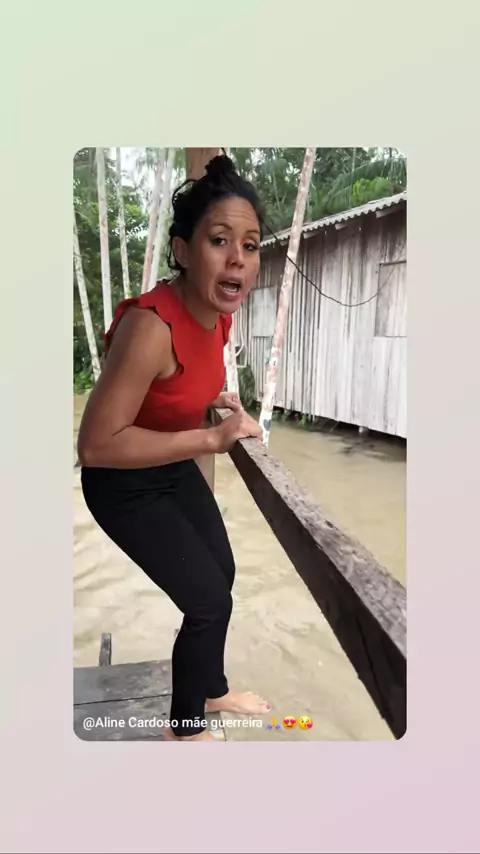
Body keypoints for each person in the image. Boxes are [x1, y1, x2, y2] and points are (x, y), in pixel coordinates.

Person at [77, 154, 271, 742]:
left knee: (222, 573)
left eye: (251, 245)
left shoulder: (218, 316)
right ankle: (184, 733)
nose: (238, 258)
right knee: (207, 600)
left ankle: (211, 689)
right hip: (121, 484)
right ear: (184, 251)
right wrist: (211, 438)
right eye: (220, 240)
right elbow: (95, 444)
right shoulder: (149, 326)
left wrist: (215, 404)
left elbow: (180, 386)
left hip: (168, 465)